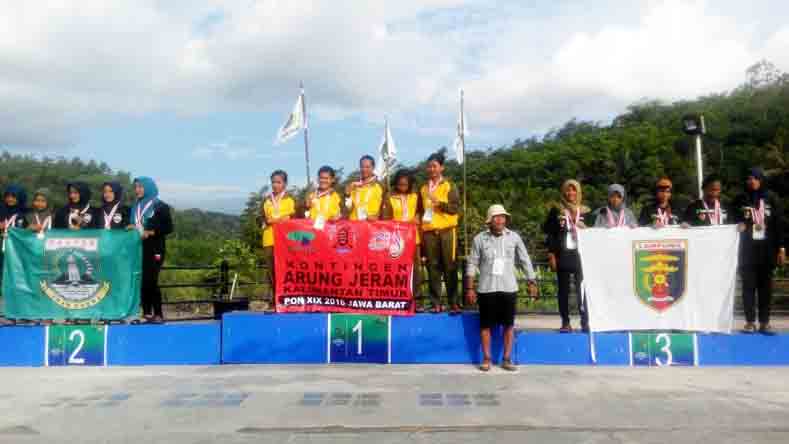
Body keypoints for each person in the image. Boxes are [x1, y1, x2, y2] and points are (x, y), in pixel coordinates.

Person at [465, 204, 538, 372]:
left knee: (508, 325)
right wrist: (469, 288)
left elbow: (525, 259)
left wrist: (532, 281)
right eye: (496, 217)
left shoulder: (514, 237)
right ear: (489, 220)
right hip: (486, 288)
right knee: (485, 326)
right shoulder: (479, 239)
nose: (500, 220)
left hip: (508, 288)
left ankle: (506, 358)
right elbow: (472, 263)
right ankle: (486, 359)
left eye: (503, 217)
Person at [732, 168, 785, 333]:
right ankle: (749, 322)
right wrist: (737, 224)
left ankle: (764, 322)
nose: (752, 181)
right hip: (746, 250)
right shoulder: (740, 199)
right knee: (748, 287)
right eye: (749, 178)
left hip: (767, 250)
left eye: (755, 178)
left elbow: (779, 224)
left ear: (761, 180)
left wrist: (781, 248)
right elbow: (731, 219)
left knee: (765, 288)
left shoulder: (771, 198)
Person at [543, 179, 591, 332]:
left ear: (578, 192)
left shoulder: (586, 211)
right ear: (563, 192)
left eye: (574, 189)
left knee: (582, 290)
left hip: (580, 255)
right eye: (568, 190)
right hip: (562, 254)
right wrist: (551, 255)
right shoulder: (556, 210)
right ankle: (565, 322)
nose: (571, 193)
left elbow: (593, 234)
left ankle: (585, 321)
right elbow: (550, 234)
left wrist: (585, 228)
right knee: (563, 290)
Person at [420, 152, 461, 313]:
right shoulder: (423, 188)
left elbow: (455, 208)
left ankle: (453, 302)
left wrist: (440, 204)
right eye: (429, 166)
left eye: (434, 166)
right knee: (433, 267)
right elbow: (421, 210)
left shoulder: (449, 186)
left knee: (450, 266)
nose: (431, 169)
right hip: (429, 231)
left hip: (447, 231)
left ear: (441, 168)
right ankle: (435, 302)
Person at [128, 177, 173, 324]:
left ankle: (158, 314)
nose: (137, 190)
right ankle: (147, 313)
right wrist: (131, 227)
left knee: (151, 280)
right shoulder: (135, 206)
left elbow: (168, 227)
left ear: (149, 187)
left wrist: (151, 232)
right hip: (138, 249)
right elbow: (137, 225)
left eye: (140, 187)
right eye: (136, 187)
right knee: (141, 281)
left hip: (155, 249)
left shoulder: (160, 206)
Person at [382, 169, 423, 302]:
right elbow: (385, 218)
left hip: (413, 238)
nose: (402, 187)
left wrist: (418, 217)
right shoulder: (389, 196)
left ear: (410, 184)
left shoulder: (416, 195)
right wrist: (400, 224)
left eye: (405, 184)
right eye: (400, 184)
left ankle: (416, 298)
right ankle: (397, 296)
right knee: (396, 267)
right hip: (396, 239)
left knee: (415, 268)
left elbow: (421, 211)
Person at [261, 170, 296, 307]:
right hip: (269, 239)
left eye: (279, 182)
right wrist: (266, 221)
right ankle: (274, 299)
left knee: (285, 269)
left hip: (286, 240)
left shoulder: (290, 199)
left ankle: (287, 297)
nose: (275, 185)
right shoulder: (267, 200)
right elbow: (260, 218)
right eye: (273, 182)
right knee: (271, 271)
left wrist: (280, 219)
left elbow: (294, 217)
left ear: (285, 184)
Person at [345, 155, 383, 221]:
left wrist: (376, 216)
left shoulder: (379, 186)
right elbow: (348, 209)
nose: (364, 169)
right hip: (354, 224)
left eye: (367, 167)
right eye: (362, 167)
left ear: (373, 167)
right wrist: (347, 195)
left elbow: (383, 209)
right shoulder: (353, 185)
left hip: (371, 225)